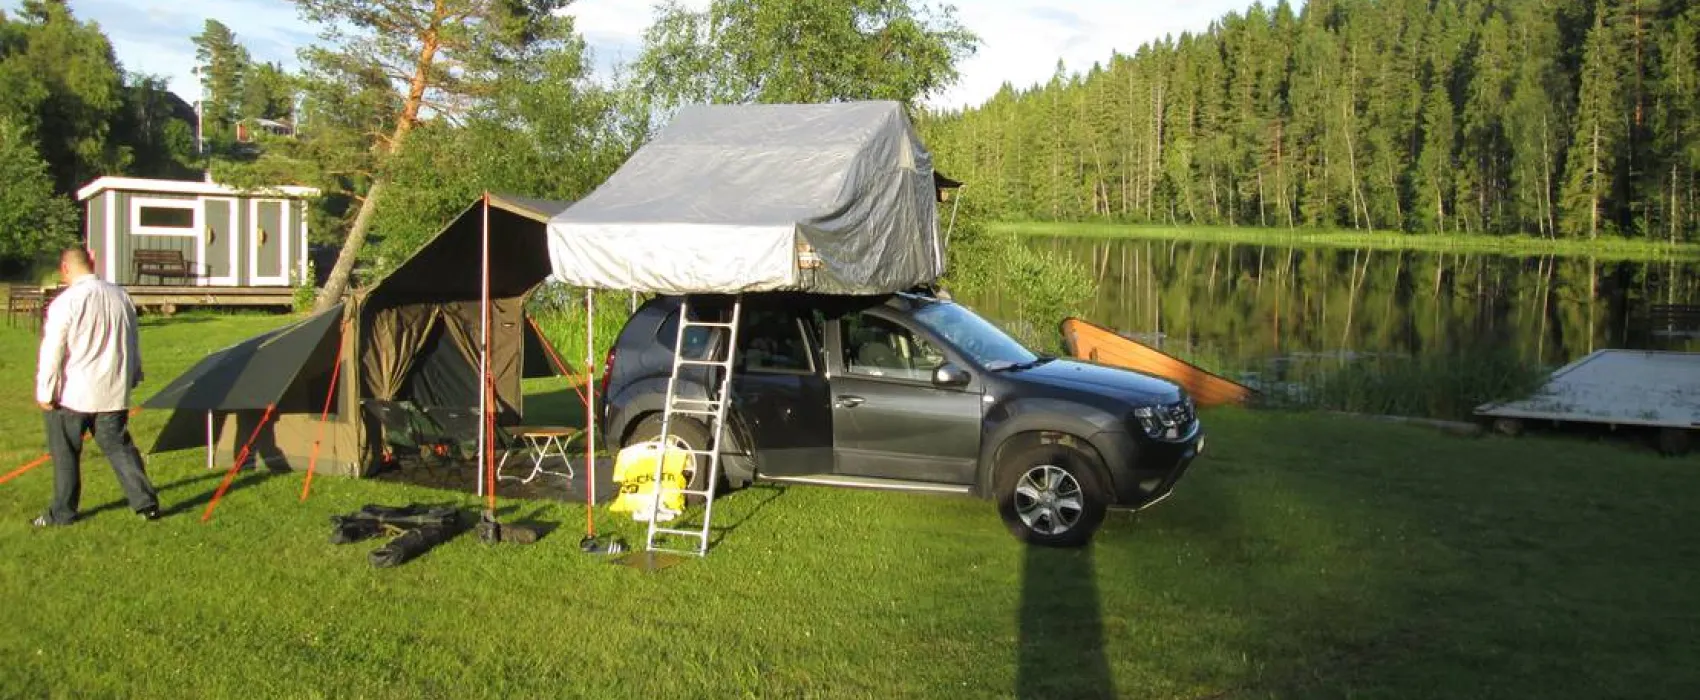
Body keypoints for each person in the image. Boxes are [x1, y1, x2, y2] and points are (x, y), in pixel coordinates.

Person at [32, 247, 159, 526]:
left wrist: (45, 390)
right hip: (112, 390)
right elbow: (132, 340)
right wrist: (134, 374)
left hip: (73, 394)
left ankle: (63, 513)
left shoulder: (66, 302)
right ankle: (146, 504)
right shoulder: (120, 296)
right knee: (119, 447)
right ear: (91, 263)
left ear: (65, 268)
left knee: (66, 454)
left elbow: (52, 350)